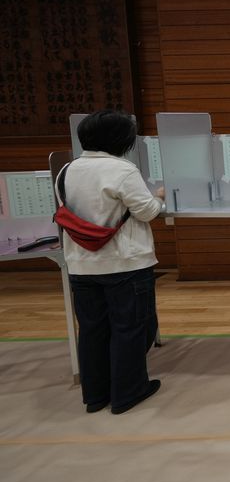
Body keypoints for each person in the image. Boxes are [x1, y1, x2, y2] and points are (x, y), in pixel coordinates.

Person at [59, 110, 165, 414]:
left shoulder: (67, 170)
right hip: (125, 264)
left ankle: (95, 396)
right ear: (122, 139)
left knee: (92, 330)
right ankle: (128, 392)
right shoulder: (122, 169)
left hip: (81, 265)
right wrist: (158, 197)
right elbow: (146, 211)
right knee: (129, 328)